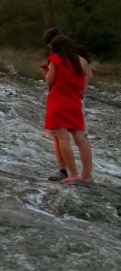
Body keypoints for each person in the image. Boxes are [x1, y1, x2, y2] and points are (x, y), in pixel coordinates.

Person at [44, 34, 93, 186]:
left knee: (63, 139)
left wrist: (46, 72)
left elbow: (49, 81)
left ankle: (72, 174)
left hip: (58, 101)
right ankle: (87, 175)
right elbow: (83, 87)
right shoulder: (82, 61)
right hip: (74, 103)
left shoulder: (55, 60)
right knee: (81, 139)